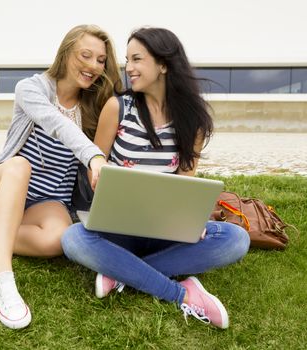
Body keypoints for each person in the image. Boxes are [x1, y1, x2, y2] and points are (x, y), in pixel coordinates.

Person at [0, 24, 122, 329]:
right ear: (66, 52)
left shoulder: (94, 105)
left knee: (59, 240)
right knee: (20, 166)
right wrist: (93, 156)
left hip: (48, 199)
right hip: (3, 185)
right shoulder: (31, 88)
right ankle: (2, 277)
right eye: (86, 55)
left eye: (101, 60)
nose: (94, 66)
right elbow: (56, 124)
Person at [60, 27, 250, 329]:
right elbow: (93, 163)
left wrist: (191, 218)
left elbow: (186, 183)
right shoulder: (118, 107)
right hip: (116, 229)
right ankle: (182, 294)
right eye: (127, 60)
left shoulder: (192, 121)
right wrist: (97, 177)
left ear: (163, 64)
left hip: (165, 231)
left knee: (236, 239)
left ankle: (120, 272)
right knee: (72, 239)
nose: (128, 68)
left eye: (137, 59)